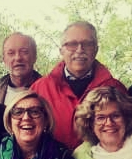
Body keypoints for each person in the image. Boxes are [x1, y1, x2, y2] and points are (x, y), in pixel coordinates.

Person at [31, 21, 126, 150]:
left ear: (96, 49)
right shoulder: (40, 89)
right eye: (72, 44)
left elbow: (129, 132)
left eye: (87, 44)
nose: (80, 50)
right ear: (61, 50)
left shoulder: (115, 89)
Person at [0, 32, 41, 108]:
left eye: (24, 52)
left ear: (34, 57)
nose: (18, 58)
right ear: (3, 59)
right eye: (11, 53)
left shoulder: (49, 89)